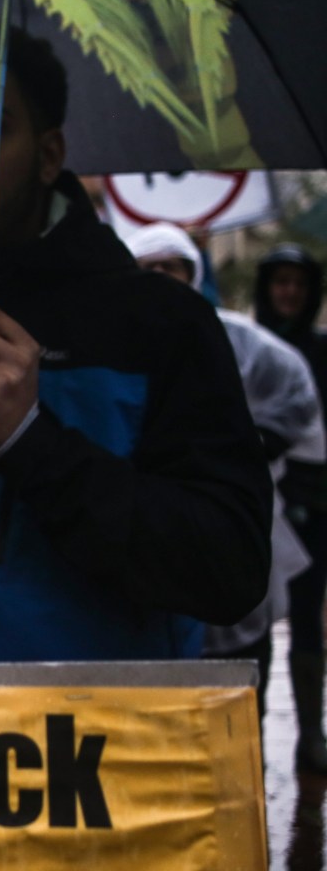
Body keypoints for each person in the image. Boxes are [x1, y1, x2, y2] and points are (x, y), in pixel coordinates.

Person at [0, 11, 271, 661]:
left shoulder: (160, 325)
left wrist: (31, 438)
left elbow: (227, 571)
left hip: (105, 746)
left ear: (49, 154)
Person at [127, 222, 323, 720]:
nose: (159, 278)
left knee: (241, 653)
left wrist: (255, 447)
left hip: (228, 517)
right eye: (147, 270)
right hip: (149, 524)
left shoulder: (235, 337)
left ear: (191, 273)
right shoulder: (113, 344)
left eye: (169, 267)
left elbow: (297, 391)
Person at [255, 245, 327, 771]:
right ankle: (245, 732)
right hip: (254, 504)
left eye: (298, 284)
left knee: (306, 615)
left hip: (310, 504)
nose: (289, 293)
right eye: (280, 282)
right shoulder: (242, 347)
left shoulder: (321, 352)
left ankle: (310, 734)